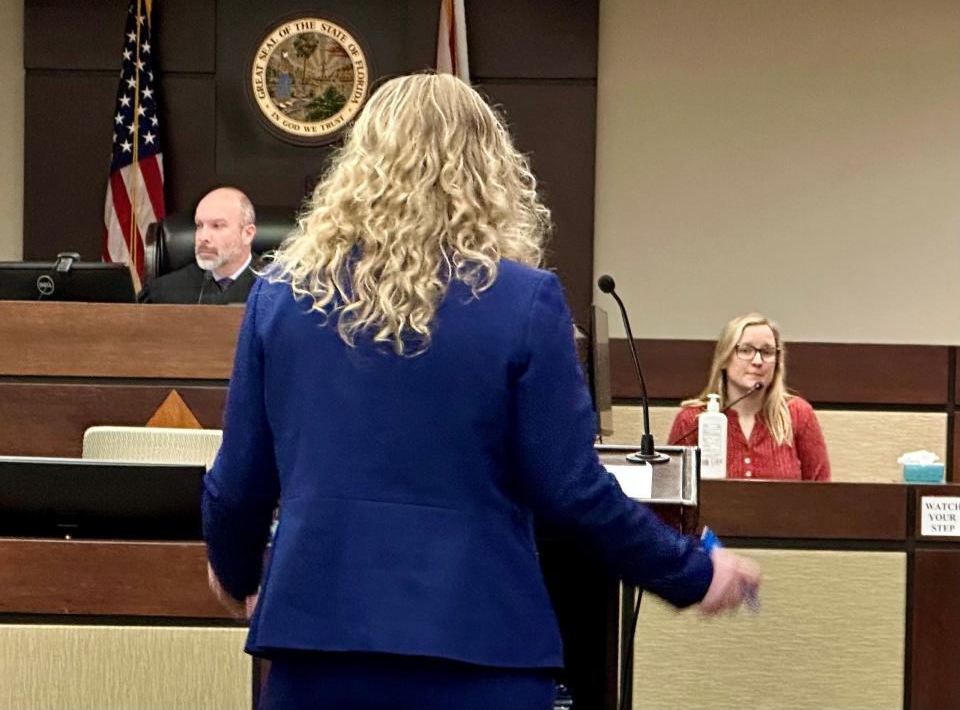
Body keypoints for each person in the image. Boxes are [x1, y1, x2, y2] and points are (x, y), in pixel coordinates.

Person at [202, 73, 760, 710]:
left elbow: (236, 481)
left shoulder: (280, 298)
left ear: (356, 165)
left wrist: (239, 572)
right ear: (488, 173)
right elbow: (572, 489)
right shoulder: (525, 301)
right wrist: (689, 571)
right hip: (479, 645)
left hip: (319, 646)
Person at [668, 313, 831, 481]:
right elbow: (671, 493)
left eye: (767, 352)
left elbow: (822, 495)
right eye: (746, 350)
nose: (758, 361)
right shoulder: (692, 420)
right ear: (724, 358)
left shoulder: (798, 414)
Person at [138, 186, 257, 304]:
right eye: (199, 225)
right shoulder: (163, 292)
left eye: (217, 226)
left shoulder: (273, 287)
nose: (203, 237)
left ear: (247, 234)